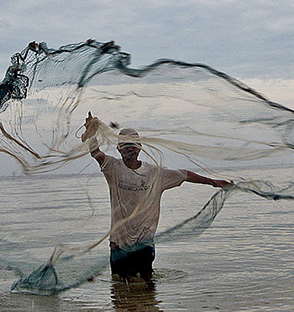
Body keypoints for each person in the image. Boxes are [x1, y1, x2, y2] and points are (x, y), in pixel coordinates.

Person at [82, 113, 230, 283]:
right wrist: (91, 134)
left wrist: (213, 182)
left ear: (139, 149)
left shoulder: (154, 173)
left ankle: (149, 308)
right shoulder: (113, 168)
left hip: (144, 242)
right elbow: (96, 153)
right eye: (126, 147)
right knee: (119, 288)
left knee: (147, 284)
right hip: (119, 244)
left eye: (133, 147)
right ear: (119, 149)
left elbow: (185, 175)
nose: (130, 152)